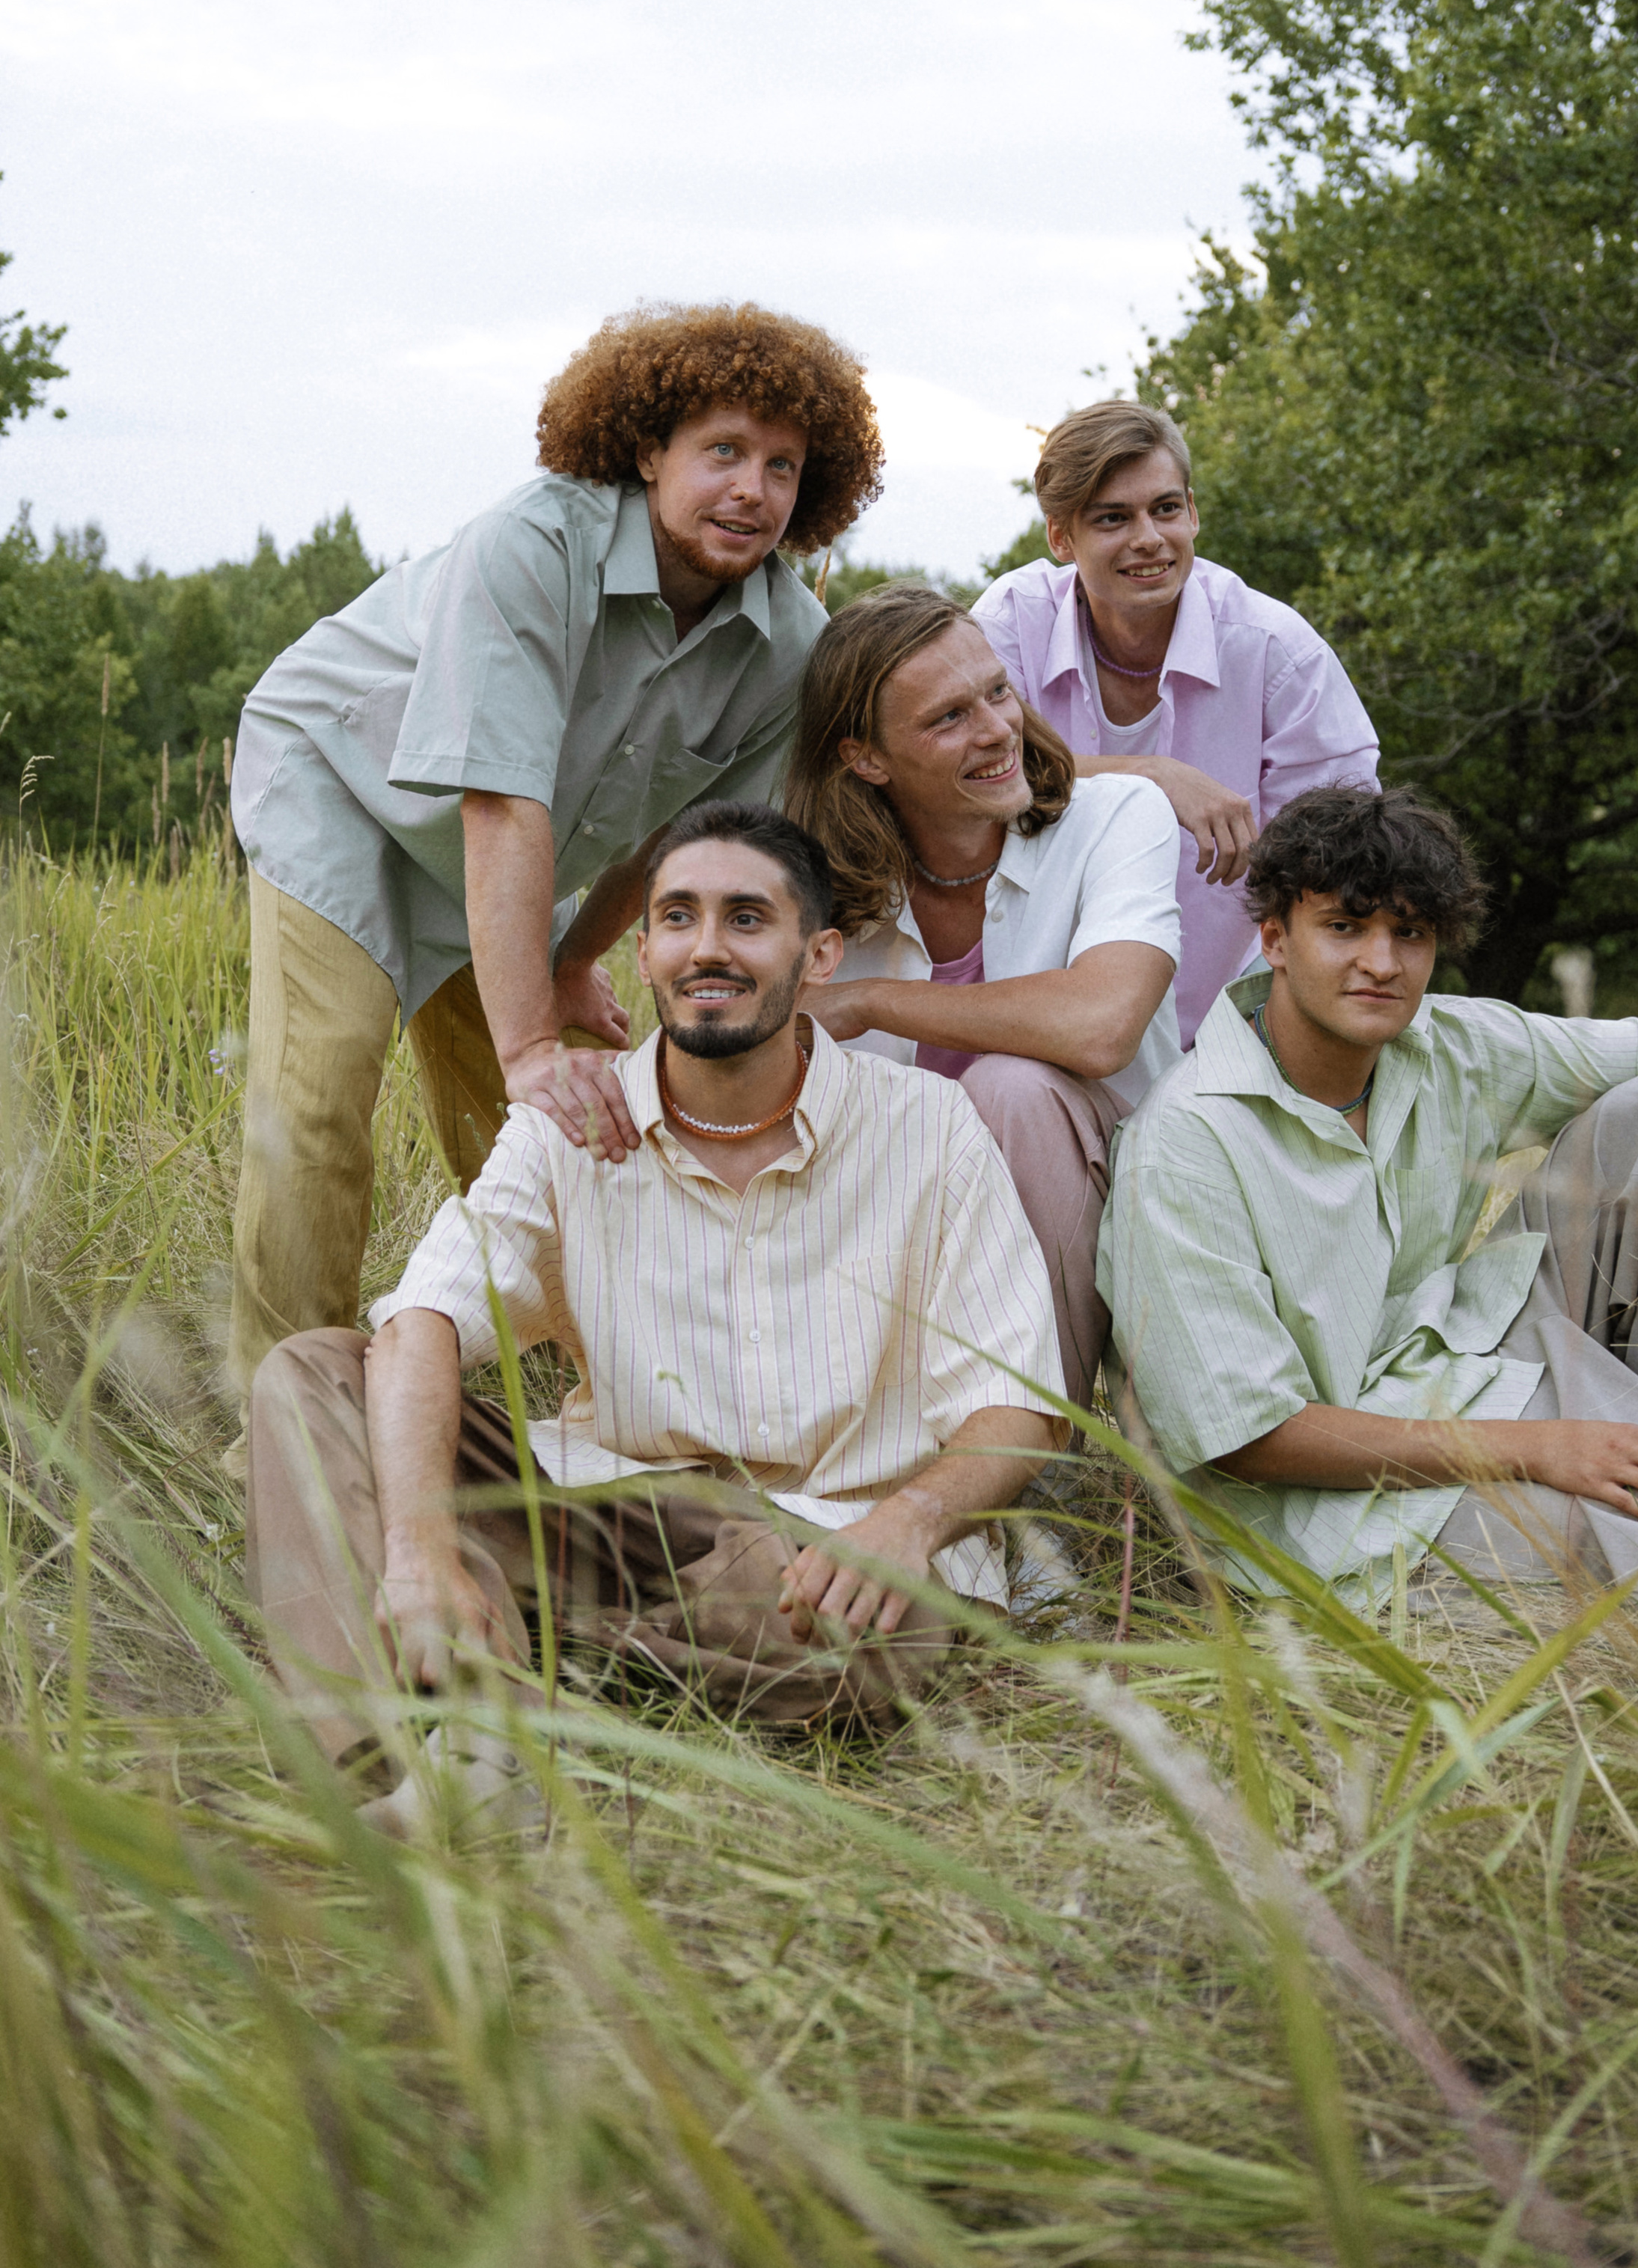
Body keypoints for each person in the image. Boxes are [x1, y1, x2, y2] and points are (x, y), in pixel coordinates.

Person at [246, 801, 1067, 1824]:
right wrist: (417, 1547)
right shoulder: (572, 1126)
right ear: (643, 952)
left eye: (745, 919)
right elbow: (424, 1323)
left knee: (875, 1639)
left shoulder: (930, 1128)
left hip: (821, 1548)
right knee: (318, 1369)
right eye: (678, 918)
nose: (706, 948)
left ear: (819, 955)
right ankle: (409, 1758)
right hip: (606, 1509)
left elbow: (1014, 1406)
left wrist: (912, 1522)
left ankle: (535, 1660)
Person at [227, 301, 884, 1407]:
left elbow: (685, 843)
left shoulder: (791, 647)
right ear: (645, 451)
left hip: (498, 851)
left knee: (538, 1123)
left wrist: (575, 960)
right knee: (321, 1095)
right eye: (723, 451)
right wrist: (530, 1031)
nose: (753, 490)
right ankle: (291, 1425)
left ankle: (559, 1387)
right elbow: (499, 801)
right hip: (343, 785)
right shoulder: (533, 544)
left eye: (784, 466)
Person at [1101, 783, 1638, 1648]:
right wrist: (1533, 1449)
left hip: (1460, 1354)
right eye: (1344, 927)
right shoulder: (1184, 1144)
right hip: (1330, 1511)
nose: (1380, 962)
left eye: (1408, 934)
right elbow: (1249, 1438)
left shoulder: (1444, 1043)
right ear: (1275, 939)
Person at [784, 583, 1182, 1410]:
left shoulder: (1117, 815)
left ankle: (1036, 1452)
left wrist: (866, 1005)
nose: (998, 728)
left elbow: (1103, 1026)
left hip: (1120, 1213)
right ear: (867, 759)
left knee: (1012, 1091)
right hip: (906, 1232)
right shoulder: (819, 891)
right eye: (948, 718)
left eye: (997, 691)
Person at [971, 399, 1378, 1048]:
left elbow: (1344, 865)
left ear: (1192, 511)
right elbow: (964, 783)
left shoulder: (1278, 654)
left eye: (1165, 509)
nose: (1148, 538)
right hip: (1035, 1018)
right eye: (1113, 518)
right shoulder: (1010, 625)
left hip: (1234, 1031)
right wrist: (1151, 776)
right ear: (1060, 537)